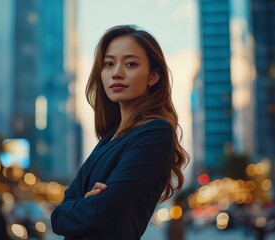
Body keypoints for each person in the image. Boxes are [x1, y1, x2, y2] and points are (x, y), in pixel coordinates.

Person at [50, 24, 189, 239]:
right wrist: (86, 205)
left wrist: (84, 204)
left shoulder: (155, 133)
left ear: (153, 76)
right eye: (108, 64)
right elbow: (57, 217)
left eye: (131, 64)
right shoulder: (109, 138)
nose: (117, 73)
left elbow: (102, 208)